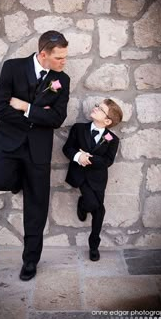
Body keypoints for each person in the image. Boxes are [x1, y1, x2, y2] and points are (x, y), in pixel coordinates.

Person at [0, 30, 70, 281]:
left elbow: (56, 118)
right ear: (43, 54)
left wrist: (25, 107)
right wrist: (36, 117)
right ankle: (17, 181)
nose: (64, 62)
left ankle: (30, 260)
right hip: (10, 143)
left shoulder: (62, 80)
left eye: (65, 57)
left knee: (36, 207)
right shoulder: (12, 68)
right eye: (59, 58)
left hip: (38, 151)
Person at [63, 99, 123, 261]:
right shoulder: (79, 128)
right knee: (97, 207)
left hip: (98, 179)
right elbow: (67, 148)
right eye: (97, 105)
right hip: (80, 176)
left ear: (107, 121)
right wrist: (78, 156)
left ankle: (93, 245)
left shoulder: (113, 139)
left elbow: (108, 161)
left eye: (100, 109)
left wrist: (89, 157)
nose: (95, 108)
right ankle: (84, 205)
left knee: (97, 210)